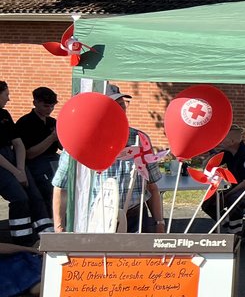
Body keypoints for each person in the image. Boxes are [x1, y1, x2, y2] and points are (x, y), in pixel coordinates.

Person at [51, 84, 166, 234]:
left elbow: (151, 186)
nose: (121, 110)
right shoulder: (79, 140)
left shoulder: (139, 138)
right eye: (113, 106)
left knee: (137, 258)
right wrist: (59, 229)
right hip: (97, 218)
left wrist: (159, 223)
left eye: (122, 104)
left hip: (135, 218)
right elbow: (61, 188)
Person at [0, 81, 53, 242]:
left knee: (35, 195)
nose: (8, 99)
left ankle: (47, 234)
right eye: (6, 95)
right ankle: (22, 239)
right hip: (2, 163)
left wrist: (21, 169)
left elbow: (18, 143)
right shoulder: (26, 121)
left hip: (14, 158)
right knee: (19, 198)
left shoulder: (4, 115)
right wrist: (16, 172)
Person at [200, 125, 245, 238]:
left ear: (231, 141)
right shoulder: (227, 153)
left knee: (234, 200)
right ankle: (239, 230)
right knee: (208, 203)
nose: (220, 140)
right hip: (238, 188)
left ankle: (234, 235)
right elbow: (207, 168)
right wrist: (212, 156)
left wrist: (228, 194)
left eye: (222, 138)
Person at [15, 87, 61, 207]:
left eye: (52, 106)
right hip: (36, 164)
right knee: (47, 192)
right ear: (35, 103)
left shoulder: (52, 122)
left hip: (54, 160)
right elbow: (29, 154)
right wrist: (51, 138)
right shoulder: (25, 123)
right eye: (46, 106)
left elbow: (62, 146)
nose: (50, 110)